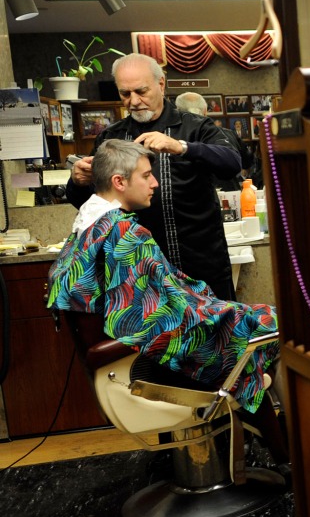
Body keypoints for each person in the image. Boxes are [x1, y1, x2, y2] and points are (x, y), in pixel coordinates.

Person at [48, 139, 288, 467]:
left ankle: (283, 451)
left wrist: (214, 306)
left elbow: (156, 300)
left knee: (250, 326)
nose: (155, 183)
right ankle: (290, 459)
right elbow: (153, 316)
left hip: (126, 358)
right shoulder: (123, 234)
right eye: (146, 175)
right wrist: (226, 312)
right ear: (119, 182)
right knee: (269, 330)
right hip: (144, 359)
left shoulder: (89, 226)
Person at [65, 53, 241, 301]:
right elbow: (93, 202)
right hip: (138, 272)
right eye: (125, 94)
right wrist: (78, 181)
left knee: (214, 336)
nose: (134, 101)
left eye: (141, 91)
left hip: (201, 266)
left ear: (161, 84)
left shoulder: (196, 127)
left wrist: (183, 147)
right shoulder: (111, 138)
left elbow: (232, 164)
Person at [174, 91, 250, 188]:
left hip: (190, 192)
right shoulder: (228, 134)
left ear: (177, 111)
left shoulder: (172, 138)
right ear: (205, 111)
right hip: (228, 189)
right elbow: (246, 161)